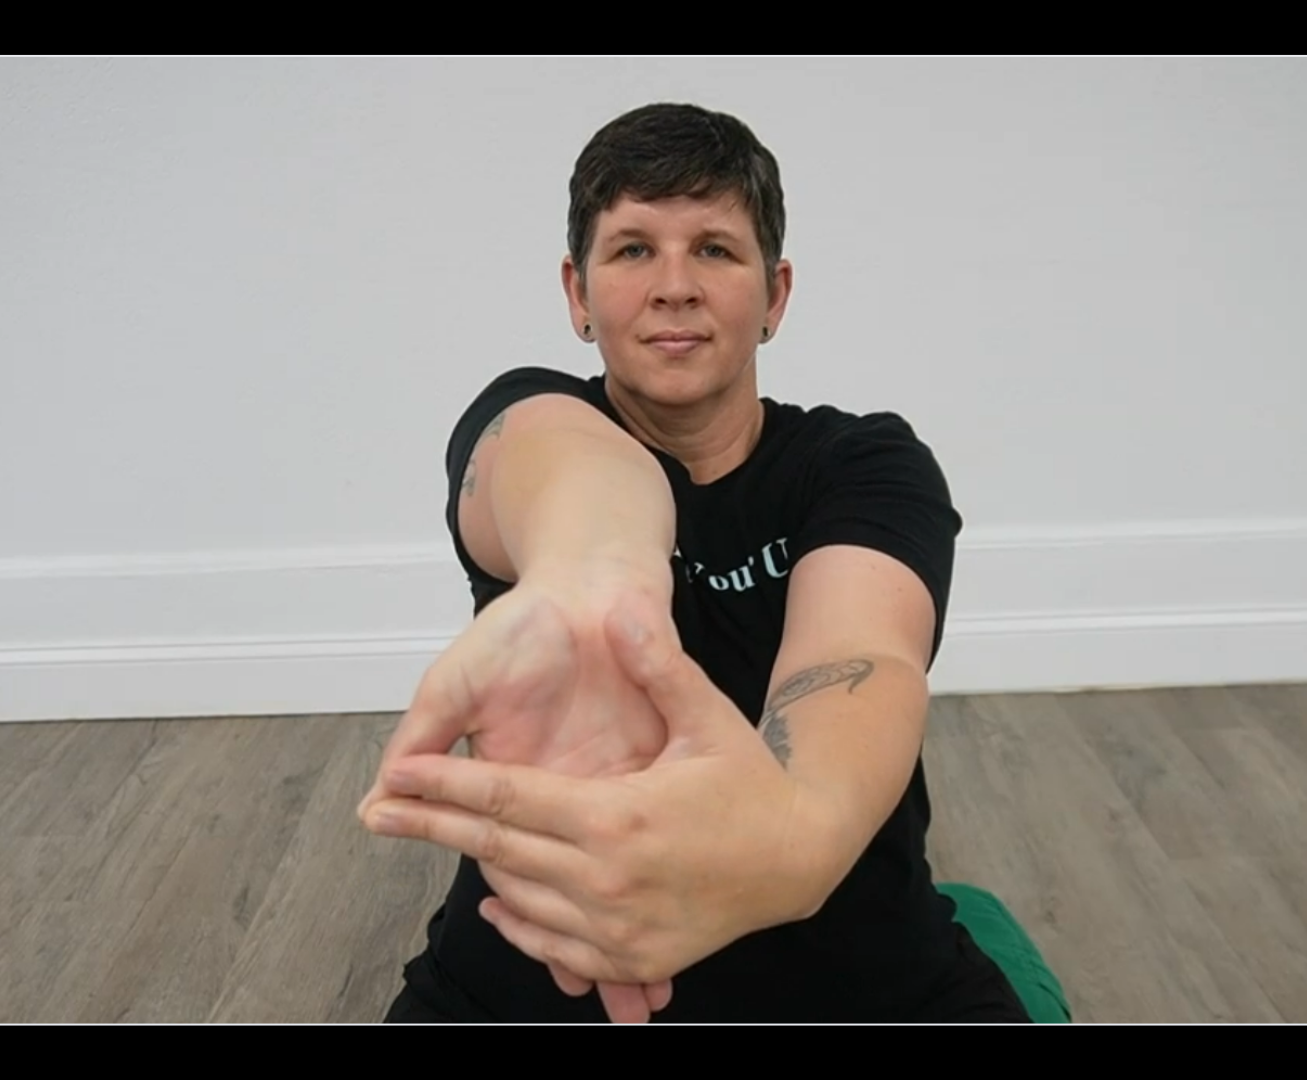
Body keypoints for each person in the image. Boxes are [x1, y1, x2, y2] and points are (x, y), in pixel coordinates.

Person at [358, 102, 1031, 1024]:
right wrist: (600, 590)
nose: (674, 286)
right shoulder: (529, 420)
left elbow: (865, 655)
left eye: (714, 249)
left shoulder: (862, 463)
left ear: (776, 294)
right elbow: (579, 484)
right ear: (578, 295)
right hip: (538, 980)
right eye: (633, 249)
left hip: (861, 981)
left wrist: (792, 841)